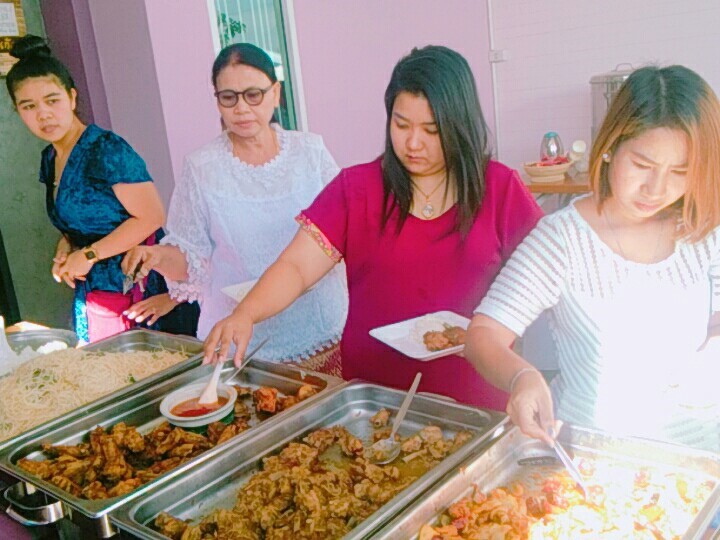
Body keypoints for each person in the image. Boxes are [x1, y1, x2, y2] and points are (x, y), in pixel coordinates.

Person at [203, 45, 543, 409]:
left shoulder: (500, 189)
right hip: (374, 402)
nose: (413, 143)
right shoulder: (357, 189)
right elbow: (297, 267)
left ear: (460, 125)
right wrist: (246, 313)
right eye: (401, 124)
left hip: (478, 400)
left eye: (431, 130)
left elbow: (545, 276)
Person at [467, 65, 720, 452]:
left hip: (699, 458)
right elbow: (483, 335)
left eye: (680, 171)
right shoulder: (562, 239)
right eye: (642, 165)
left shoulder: (703, 229)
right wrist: (522, 377)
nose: (656, 189)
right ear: (610, 148)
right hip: (596, 458)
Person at [121, 43, 347, 373]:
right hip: (244, 342)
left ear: (275, 93)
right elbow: (191, 257)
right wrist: (155, 256)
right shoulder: (202, 168)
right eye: (229, 97)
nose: (241, 108)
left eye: (253, 95)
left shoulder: (310, 152)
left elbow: (344, 227)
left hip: (319, 324)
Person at [5, 35, 199, 343]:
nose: (43, 114)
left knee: (148, 364)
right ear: (18, 111)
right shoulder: (50, 158)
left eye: (52, 100)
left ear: (72, 97)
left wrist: (89, 254)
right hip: (96, 287)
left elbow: (151, 217)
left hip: (139, 284)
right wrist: (67, 245)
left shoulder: (106, 149)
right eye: (29, 106)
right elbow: (82, 218)